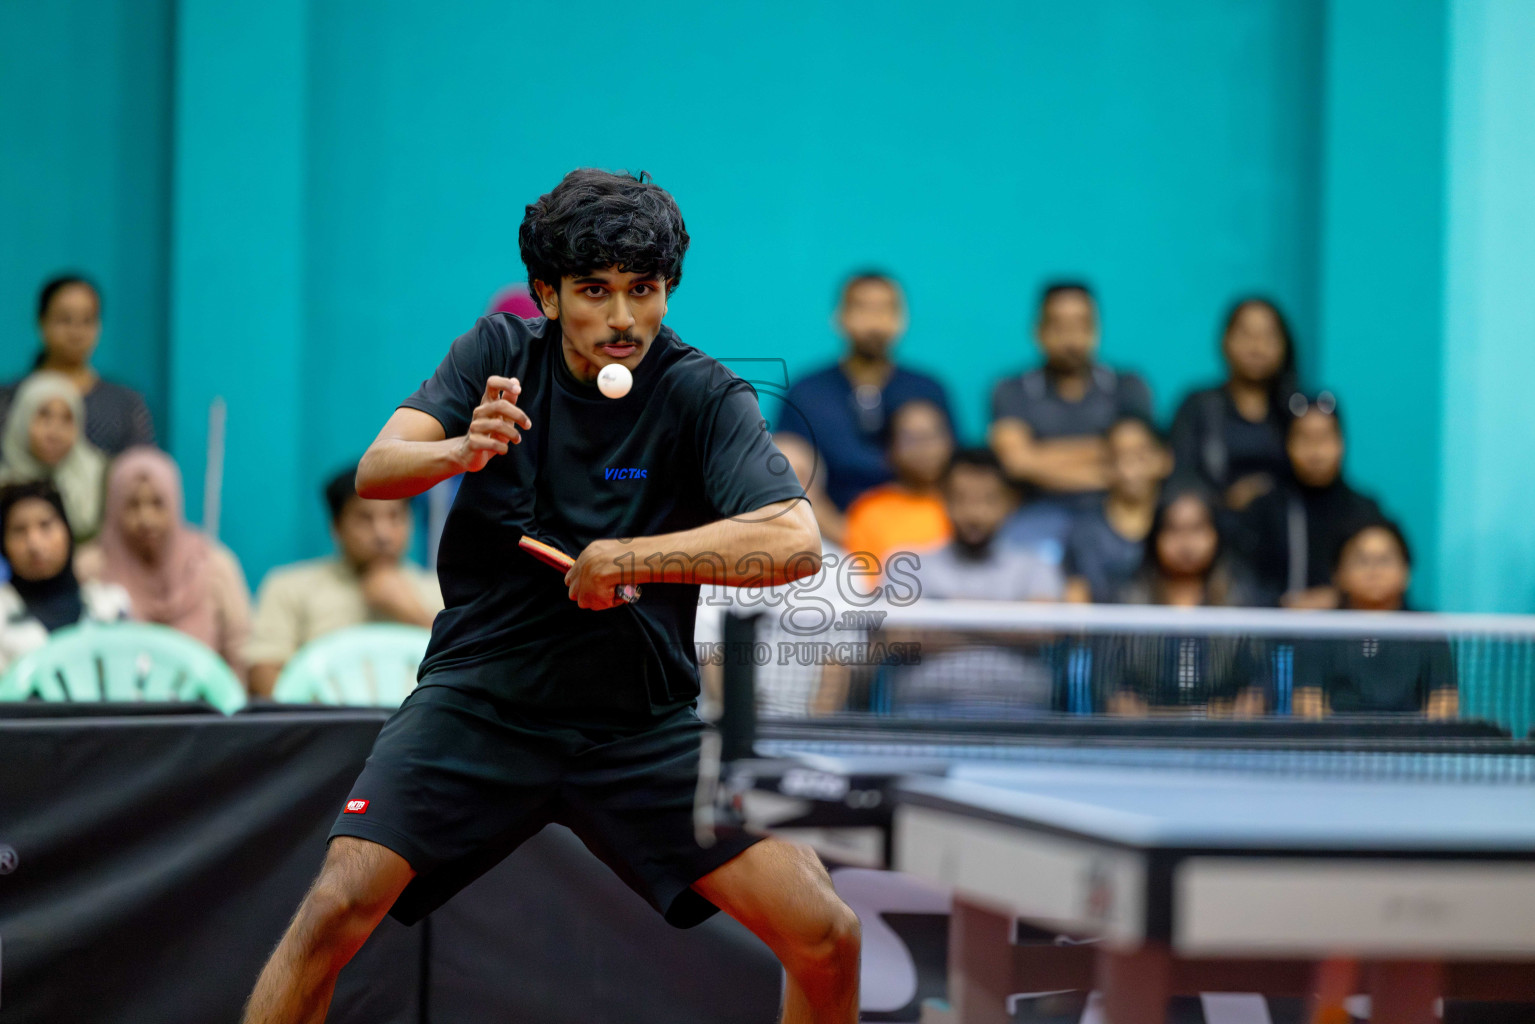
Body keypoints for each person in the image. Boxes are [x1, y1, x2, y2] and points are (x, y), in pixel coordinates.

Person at [241, 169, 859, 1024]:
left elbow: (795, 543)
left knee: (826, 933)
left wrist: (634, 557)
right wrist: (458, 449)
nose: (622, 320)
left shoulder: (701, 395)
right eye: (594, 292)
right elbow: (380, 470)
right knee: (334, 910)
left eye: (643, 292)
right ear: (547, 293)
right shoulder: (496, 354)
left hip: (640, 723)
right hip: (482, 704)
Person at [774, 271, 952, 539]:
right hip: (827, 534)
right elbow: (784, 477)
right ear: (839, 317)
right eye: (862, 308)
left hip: (919, 533)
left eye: (886, 309)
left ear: (902, 319)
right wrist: (853, 538)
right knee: (784, 454)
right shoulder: (808, 391)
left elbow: (951, 473)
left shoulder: (927, 390)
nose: (874, 321)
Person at [244, 466, 443, 697]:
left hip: (418, 729)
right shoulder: (290, 587)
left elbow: (468, 667)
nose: (382, 533)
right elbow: (263, 673)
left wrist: (411, 612)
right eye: (364, 518)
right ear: (336, 527)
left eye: (395, 516)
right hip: (323, 729)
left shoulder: (441, 591)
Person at [76, 447, 253, 682]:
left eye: (158, 504)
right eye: (132, 505)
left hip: (204, 709)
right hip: (116, 713)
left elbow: (241, 653)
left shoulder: (212, 565)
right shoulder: (92, 568)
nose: (146, 520)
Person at [989, 282, 1154, 526]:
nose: (1072, 339)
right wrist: (1109, 458)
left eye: (1082, 325)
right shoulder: (1011, 389)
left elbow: (1144, 460)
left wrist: (1039, 456)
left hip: (1116, 519)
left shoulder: (1128, 385)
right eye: (1060, 326)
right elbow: (1016, 463)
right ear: (1039, 331)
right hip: (1036, 517)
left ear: (1097, 330)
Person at [1100, 486, 1264, 716]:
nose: (1186, 542)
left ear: (1216, 533)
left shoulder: (1239, 599)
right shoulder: (1128, 600)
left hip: (1221, 739)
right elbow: (1109, 685)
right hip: (1143, 742)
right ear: (1155, 536)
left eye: (1197, 529)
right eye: (1173, 530)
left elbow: (1256, 688)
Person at [1293, 518, 1457, 718]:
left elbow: (1444, 704)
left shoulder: (1429, 630)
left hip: (1410, 744)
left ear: (1406, 572)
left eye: (1385, 560)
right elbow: (1306, 706)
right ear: (1338, 574)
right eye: (1361, 560)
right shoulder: (1318, 631)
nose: (1374, 571)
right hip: (1338, 744)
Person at [1236, 392, 1382, 609]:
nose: (1316, 451)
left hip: (1349, 633)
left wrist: (1338, 598)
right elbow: (1244, 583)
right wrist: (1284, 604)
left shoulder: (1364, 511)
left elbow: (1384, 582)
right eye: (1304, 438)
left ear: (1341, 442)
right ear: (1287, 445)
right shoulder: (1264, 510)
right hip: (1278, 632)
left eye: (1324, 438)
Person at [0, 276, 155, 455]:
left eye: (87, 320)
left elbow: (141, 470)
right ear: (41, 321)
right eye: (65, 319)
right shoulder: (10, 398)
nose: (76, 332)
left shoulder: (125, 404)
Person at [1168, 298, 1297, 511]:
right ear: (1225, 341)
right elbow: (1179, 477)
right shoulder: (1198, 406)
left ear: (1284, 345)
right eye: (1246, 334)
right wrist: (1225, 500)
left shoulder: (1296, 409)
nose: (1257, 346)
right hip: (1211, 530)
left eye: (1268, 335)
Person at [0, 481, 130, 673]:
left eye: (45, 525)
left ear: (68, 531)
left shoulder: (111, 605)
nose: (34, 544)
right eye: (19, 530)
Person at [914, 447, 1063, 602]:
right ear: (943, 500)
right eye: (961, 499)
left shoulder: (1036, 568)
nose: (974, 514)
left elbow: (1041, 623)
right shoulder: (910, 566)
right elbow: (901, 624)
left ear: (1010, 502)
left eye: (988, 501)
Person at [1062, 415, 1171, 603]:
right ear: (1106, 466)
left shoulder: (1181, 523)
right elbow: (1077, 604)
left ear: (1164, 460)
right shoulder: (1085, 531)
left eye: (1141, 454)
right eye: (1120, 456)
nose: (1131, 466)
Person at [841, 398, 953, 578]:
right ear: (889, 449)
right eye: (911, 439)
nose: (925, 447)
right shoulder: (870, 511)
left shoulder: (969, 503)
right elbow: (866, 584)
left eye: (933, 435)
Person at [0, 370, 108, 540]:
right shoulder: (4, 487)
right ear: (22, 420)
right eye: (44, 415)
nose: (55, 432)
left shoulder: (103, 478)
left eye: (67, 418)